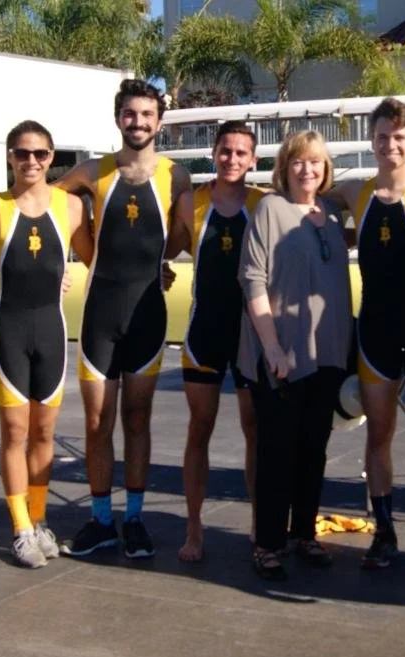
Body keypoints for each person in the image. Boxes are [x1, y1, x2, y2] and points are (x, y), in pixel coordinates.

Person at [55, 79, 192, 559]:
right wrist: (73, 257)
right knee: (97, 422)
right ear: (119, 119)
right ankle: (100, 520)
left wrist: (163, 264)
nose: (138, 122)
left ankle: (133, 518)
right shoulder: (93, 172)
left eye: (146, 114)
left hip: (147, 313)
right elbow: (45, 207)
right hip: (101, 313)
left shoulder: (176, 177)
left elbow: (180, 235)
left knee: (138, 419)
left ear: (159, 122)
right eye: (130, 114)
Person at [323, 97, 405, 572]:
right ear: (371, 140)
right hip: (375, 329)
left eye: (398, 136)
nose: (389, 144)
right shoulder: (356, 192)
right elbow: (312, 191)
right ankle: (385, 533)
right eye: (381, 136)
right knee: (378, 434)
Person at [0, 121, 90, 568]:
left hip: (52, 330)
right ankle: (20, 528)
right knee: (15, 433)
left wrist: (158, 273)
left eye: (39, 154)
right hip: (10, 330)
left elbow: (97, 254)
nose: (31, 161)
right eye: (22, 153)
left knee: (44, 433)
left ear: (52, 156)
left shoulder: (72, 208)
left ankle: (38, 521)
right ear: (10, 157)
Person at [239, 130, 352, 580]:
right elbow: (253, 280)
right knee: (276, 451)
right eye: (299, 162)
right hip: (283, 354)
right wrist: (271, 347)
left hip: (326, 353)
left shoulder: (330, 212)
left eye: (316, 163)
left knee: (313, 449)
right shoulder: (270, 209)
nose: (308, 170)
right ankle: (268, 543)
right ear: (284, 167)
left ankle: (304, 533)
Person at [178, 121, 264, 561]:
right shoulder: (191, 204)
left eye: (240, 153)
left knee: (255, 431)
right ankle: (194, 529)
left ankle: (258, 522)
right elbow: (161, 248)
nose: (231, 159)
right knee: (200, 430)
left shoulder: (264, 204)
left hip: (250, 337)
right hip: (204, 334)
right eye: (224, 151)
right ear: (213, 153)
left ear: (254, 160)